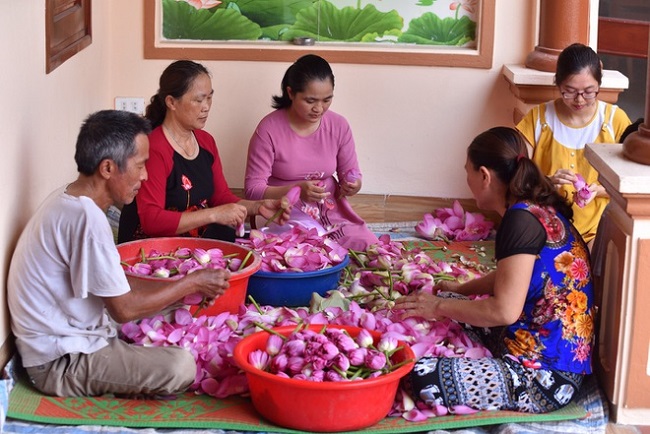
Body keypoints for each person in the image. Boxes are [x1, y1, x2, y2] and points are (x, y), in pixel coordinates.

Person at [7, 110, 231, 397]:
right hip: (60, 360)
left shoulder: (71, 199)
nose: (145, 175)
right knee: (181, 366)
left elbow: (118, 284)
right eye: (139, 166)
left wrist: (187, 290)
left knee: (181, 307)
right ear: (108, 168)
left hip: (80, 331)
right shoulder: (87, 219)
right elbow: (122, 309)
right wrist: (190, 283)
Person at [396, 127, 595, 413]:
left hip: (545, 378)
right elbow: (511, 279)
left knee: (417, 374)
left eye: (468, 172)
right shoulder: (533, 209)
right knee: (452, 305)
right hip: (537, 347)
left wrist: (437, 306)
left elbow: (504, 311)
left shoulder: (519, 221)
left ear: (485, 176)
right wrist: (457, 291)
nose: (467, 180)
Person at [118, 60, 288, 244]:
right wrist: (213, 215)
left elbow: (220, 197)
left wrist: (258, 207)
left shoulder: (206, 142)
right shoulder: (154, 148)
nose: (206, 106)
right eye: (198, 100)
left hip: (193, 241)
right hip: (152, 250)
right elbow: (152, 221)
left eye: (209, 98)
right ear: (171, 102)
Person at [244, 54, 378, 251]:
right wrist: (296, 189)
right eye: (310, 100)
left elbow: (351, 173)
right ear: (291, 93)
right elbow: (252, 189)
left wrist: (353, 184)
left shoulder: (339, 126)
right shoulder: (269, 129)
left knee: (368, 246)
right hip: (283, 211)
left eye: (327, 100)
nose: (319, 108)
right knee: (309, 249)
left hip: (328, 210)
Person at [516, 43, 632, 247]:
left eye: (589, 92)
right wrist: (548, 182)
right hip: (545, 227)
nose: (579, 100)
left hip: (596, 230)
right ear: (558, 83)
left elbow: (631, 182)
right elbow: (516, 177)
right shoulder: (539, 119)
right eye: (569, 91)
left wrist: (599, 190)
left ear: (599, 85)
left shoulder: (615, 121)